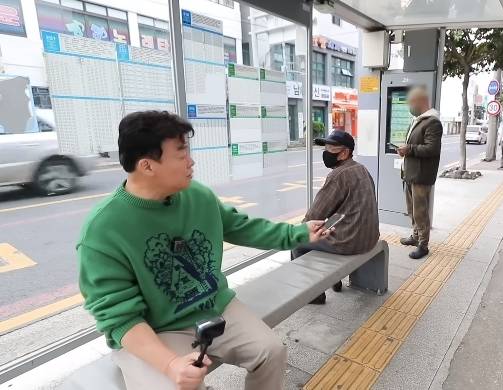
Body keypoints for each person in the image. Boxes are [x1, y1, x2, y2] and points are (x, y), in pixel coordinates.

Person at [77, 111, 329, 390]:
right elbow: (118, 317)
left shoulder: (197, 196)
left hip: (214, 306)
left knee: (271, 352)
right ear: (147, 166)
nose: (191, 161)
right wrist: (171, 364)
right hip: (156, 329)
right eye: (181, 154)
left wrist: (298, 234)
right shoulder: (103, 230)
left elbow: (241, 227)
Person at [291, 131, 380, 304]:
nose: (326, 153)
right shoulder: (362, 169)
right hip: (370, 236)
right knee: (323, 231)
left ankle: (314, 295)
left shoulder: (338, 175)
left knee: (298, 241)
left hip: (350, 241)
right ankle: (333, 279)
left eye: (331, 149)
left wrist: (300, 230)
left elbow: (315, 215)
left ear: (345, 153)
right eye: (326, 148)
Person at [397, 86, 443, 259]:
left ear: (422, 102)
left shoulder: (432, 122)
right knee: (412, 209)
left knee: (420, 211)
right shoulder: (418, 120)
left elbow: (432, 149)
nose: (410, 106)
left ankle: (423, 245)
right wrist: (406, 150)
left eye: (412, 102)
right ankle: (415, 236)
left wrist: (409, 149)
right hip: (411, 173)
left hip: (422, 175)